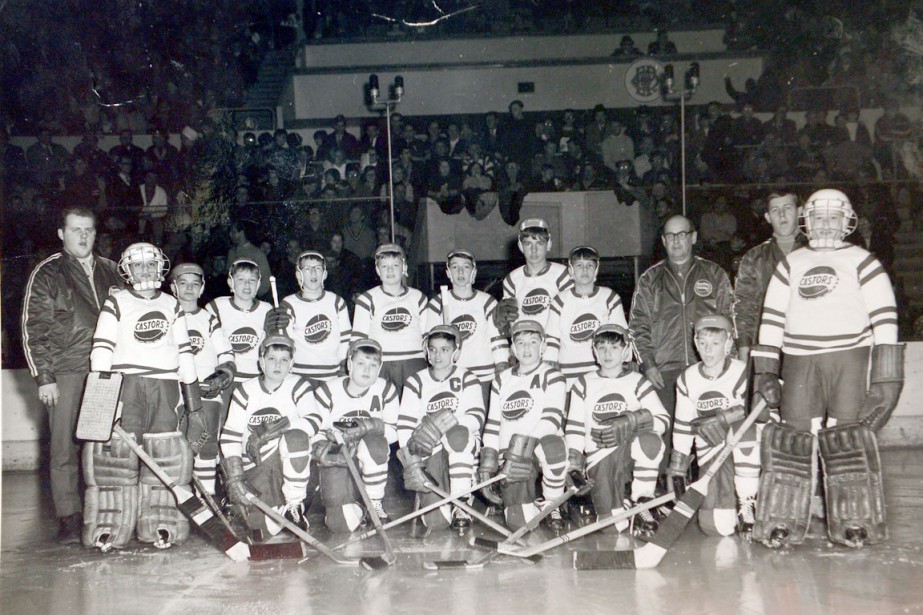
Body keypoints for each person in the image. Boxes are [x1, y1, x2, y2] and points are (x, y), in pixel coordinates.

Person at [751, 189, 903, 549]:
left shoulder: (863, 261)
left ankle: (854, 519)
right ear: (808, 220)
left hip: (849, 357)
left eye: (833, 217)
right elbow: (771, 318)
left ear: (846, 221)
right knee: (792, 439)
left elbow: (885, 317)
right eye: (819, 217)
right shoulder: (792, 263)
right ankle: (782, 518)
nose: (825, 224)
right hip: (800, 359)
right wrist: (766, 370)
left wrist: (887, 376)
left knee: (846, 439)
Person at [85, 242, 202, 550]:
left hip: (165, 386)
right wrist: (102, 398)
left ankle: (160, 523)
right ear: (128, 270)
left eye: (150, 264)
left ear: (160, 267)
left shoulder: (172, 304)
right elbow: (101, 349)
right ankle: (110, 526)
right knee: (116, 460)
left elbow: (185, 352)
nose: (146, 270)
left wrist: (194, 404)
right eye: (138, 265)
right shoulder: (116, 302)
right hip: (126, 385)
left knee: (165, 458)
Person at [21, 207, 123, 543]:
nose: (83, 236)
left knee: (104, 447)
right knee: (63, 448)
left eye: (88, 230)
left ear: (96, 234)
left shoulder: (112, 270)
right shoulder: (48, 272)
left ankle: (106, 511)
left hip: (105, 372)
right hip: (65, 371)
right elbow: (34, 328)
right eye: (76, 229)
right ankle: (68, 516)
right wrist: (44, 377)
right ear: (61, 233)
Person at [629, 215, 734, 465]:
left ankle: (712, 487)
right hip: (665, 371)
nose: (676, 241)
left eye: (682, 234)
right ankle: (669, 488)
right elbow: (637, 326)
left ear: (693, 237)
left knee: (713, 435)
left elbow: (731, 318)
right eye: (671, 235)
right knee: (668, 441)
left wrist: (728, 361)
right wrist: (648, 363)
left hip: (708, 367)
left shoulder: (714, 274)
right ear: (664, 240)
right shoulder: (650, 279)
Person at [565, 324, 668, 535]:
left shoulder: (637, 381)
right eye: (602, 347)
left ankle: (642, 499)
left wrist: (632, 421)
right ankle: (625, 503)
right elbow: (574, 427)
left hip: (629, 452)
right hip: (599, 455)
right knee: (612, 527)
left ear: (625, 351)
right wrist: (574, 462)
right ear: (594, 352)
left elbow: (663, 420)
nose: (607, 353)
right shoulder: (583, 383)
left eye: (614, 347)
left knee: (650, 441)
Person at [668, 314, 764, 539]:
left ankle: (748, 501)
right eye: (702, 343)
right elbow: (682, 425)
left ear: (728, 343)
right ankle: (732, 506)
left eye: (715, 343)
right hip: (710, 452)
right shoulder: (687, 379)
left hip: (742, 450)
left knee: (745, 430)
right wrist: (678, 467)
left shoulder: (743, 372)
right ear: (695, 342)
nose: (708, 350)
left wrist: (724, 419)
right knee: (716, 528)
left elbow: (760, 413)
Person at [219, 334, 315, 534]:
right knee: (261, 528)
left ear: (291, 364)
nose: (278, 365)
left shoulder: (298, 385)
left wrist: (273, 431)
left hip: (288, 466)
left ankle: (294, 505)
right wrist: (235, 475)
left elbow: (313, 420)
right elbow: (230, 434)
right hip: (256, 466)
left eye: (284, 360)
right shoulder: (245, 390)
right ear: (261, 362)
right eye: (272, 359)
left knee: (296, 437)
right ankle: (276, 510)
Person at [479, 320, 568, 532]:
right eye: (520, 343)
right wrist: (490, 457)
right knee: (519, 523)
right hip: (511, 457)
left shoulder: (553, 376)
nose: (526, 348)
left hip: (536, 448)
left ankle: (552, 502)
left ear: (543, 346)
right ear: (513, 348)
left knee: (553, 444)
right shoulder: (501, 380)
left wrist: (521, 448)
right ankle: (528, 502)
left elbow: (552, 420)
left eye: (533, 342)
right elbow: (493, 423)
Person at [396, 325, 486, 532]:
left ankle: (461, 502)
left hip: (462, 446)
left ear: (456, 352)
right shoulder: (415, 381)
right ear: (427, 351)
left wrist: (439, 428)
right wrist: (411, 460)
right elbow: (405, 425)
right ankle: (451, 499)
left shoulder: (467, 377)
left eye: (445, 349)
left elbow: (476, 418)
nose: (438, 355)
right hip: (431, 449)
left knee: (458, 434)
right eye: (433, 349)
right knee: (436, 522)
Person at [307, 339, 400, 531]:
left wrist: (367, 430)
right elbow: (315, 432)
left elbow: (394, 432)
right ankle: (357, 504)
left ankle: (373, 502)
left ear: (379, 367)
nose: (367, 370)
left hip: (370, 459)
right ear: (349, 364)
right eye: (361, 363)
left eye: (373, 365)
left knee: (376, 442)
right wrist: (323, 447)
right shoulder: (327, 391)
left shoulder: (386, 390)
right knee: (339, 525)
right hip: (341, 458)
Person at [169, 263, 236, 495]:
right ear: (173, 287)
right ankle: (180, 498)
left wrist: (223, 374)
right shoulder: (166, 313)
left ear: (202, 287)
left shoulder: (208, 318)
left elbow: (226, 352)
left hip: (205, 390)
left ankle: (208, 497)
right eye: (183, 283)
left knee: (206, 445)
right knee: (177, 446)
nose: (189, 288)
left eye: (194, 284)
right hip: (175, 389)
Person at [425, 249, 509, 403]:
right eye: (455, 267)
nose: (460, 272)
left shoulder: (487, 302)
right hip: (452, 374)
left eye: (466, 266)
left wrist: (501, 363)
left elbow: (497, 338)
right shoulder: (437, 304)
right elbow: (428, 343)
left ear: (474, 271)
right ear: (448, 272)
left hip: (484, 374)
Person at [733, 192, 808, 362]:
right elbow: (744, 306)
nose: (782, 214)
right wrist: (744, 348)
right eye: (775, 210)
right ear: (767, 217)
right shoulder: (754, 257)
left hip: (808, 345)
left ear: (800, 211)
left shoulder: (816, 251)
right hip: (768, 347)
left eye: (787, 208)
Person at [544, 246, 628, 389]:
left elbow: (621, 334)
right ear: (571, 270)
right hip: (568, 372)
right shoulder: (560, 300)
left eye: (589, 265)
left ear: (596, 269)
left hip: (601, 370)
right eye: (579, 265)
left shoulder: (609, 297)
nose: (584, 270)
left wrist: (623, 362)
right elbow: (552, 337)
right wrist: (550, 361)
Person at [351, 243, 428, 395]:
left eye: (395, 265)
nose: (390, 270)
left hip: (414, 360)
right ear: (377, 270)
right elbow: (358, 338)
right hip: (381, 363)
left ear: (404, 267)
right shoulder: (367, 299)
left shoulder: (418, 297)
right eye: (384, 266)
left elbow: (428, 335)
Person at [279, 250, 352, 382]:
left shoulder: (337, 302)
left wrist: (343, 364)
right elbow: (286, 343)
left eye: (318, 268)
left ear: (324, 274)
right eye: (307, 269)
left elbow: (345, 338)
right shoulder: (288, 304)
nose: (313, 273)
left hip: (331, 374)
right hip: (299, 375)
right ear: (299, 274)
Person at [205, 259, 279, 384]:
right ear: (231, 282)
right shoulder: (216, 307)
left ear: (258, 284)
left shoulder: (267, 309)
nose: (247, 284)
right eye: (241, 279)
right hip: (225, 378)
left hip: (256, 378)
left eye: (252, 280)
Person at [496, 218, 573, 335]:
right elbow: (510, 323)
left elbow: (571, 314)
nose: (534, 250)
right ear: (520, 246)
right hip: (524, 342)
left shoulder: (563, 274)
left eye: (540, 243)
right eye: (528, 244)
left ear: (548, 244)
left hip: (555, 341)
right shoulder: (511, 279)